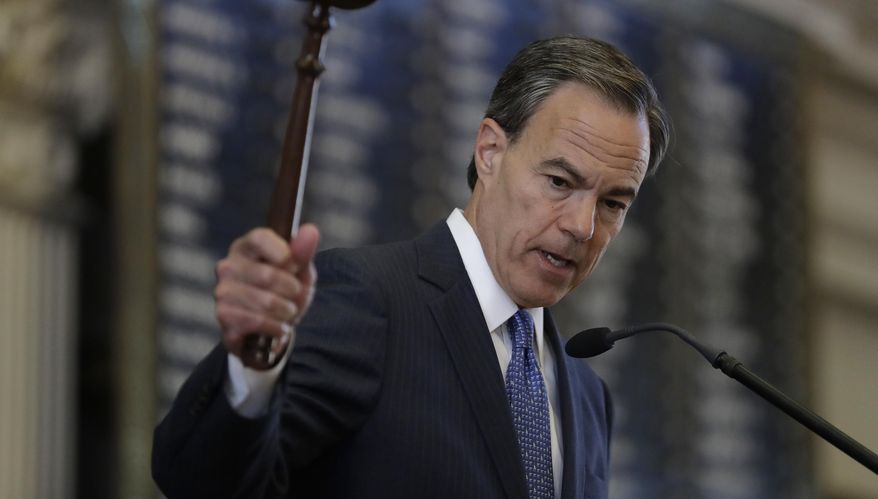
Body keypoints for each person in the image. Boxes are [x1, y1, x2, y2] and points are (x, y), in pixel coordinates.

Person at [152, 36, 671, 499]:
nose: (583, 226)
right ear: (490, 151)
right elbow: (202, 482)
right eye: (559, 181)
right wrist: (253, 370)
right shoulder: (370, 303)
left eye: (613, 204)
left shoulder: (587, 394)